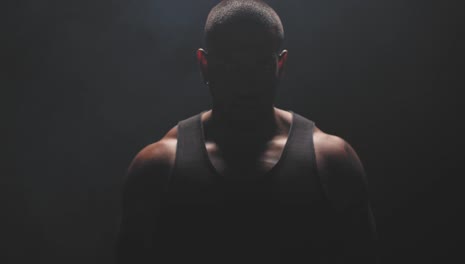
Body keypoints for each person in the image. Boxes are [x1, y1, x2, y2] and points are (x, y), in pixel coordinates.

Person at [115, 0, 378, 263]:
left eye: (259, 65)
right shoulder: (157, 167)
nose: (244, 83)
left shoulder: (331, 161)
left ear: (280, 64)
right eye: (230, 65)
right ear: (204, 64)